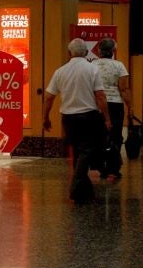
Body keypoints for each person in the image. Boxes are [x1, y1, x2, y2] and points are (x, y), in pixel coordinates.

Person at [43, 38, 111, 203]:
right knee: (86, 151)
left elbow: (49, 97)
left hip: (68, 118)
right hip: (88, 116)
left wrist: (45, 117)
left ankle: (83, 192)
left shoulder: (60, 71)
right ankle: (75, 187)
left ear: (69, 53)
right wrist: (107, 118)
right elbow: (100, 96)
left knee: (78, 152)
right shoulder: (92, 69)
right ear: (86, 52)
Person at [94, 38, 133, 181]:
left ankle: (101, 166)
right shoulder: (119, 66)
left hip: (97, 104)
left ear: (99, 50)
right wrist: (130, 106)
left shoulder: (92, 66)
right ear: (113, 51)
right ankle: (113, 168)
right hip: (115, 104)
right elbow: (123, 89)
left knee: (99, 135)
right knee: (115, 135)